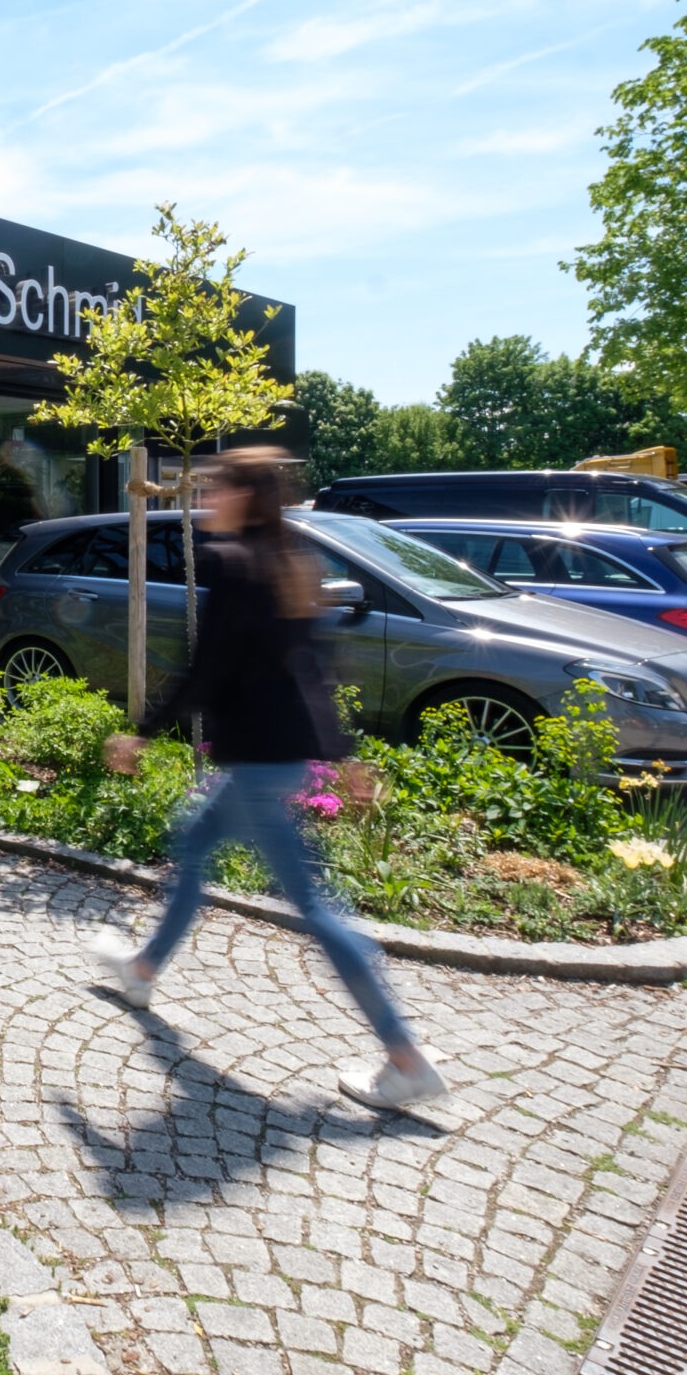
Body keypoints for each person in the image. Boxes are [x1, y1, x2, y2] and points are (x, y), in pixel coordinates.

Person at [90, 447, 447, 1112]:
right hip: (275, 761)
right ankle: (141, 972)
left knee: (316, 908)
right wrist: (339, 754)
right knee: (193, 841)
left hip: (256, 766)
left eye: (218, 488)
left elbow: (206, 670)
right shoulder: (289, 563)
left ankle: (405, 1057)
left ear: (244, 497)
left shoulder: (236, 565)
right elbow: (312, 670)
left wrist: (141, 729)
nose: (207, 499)